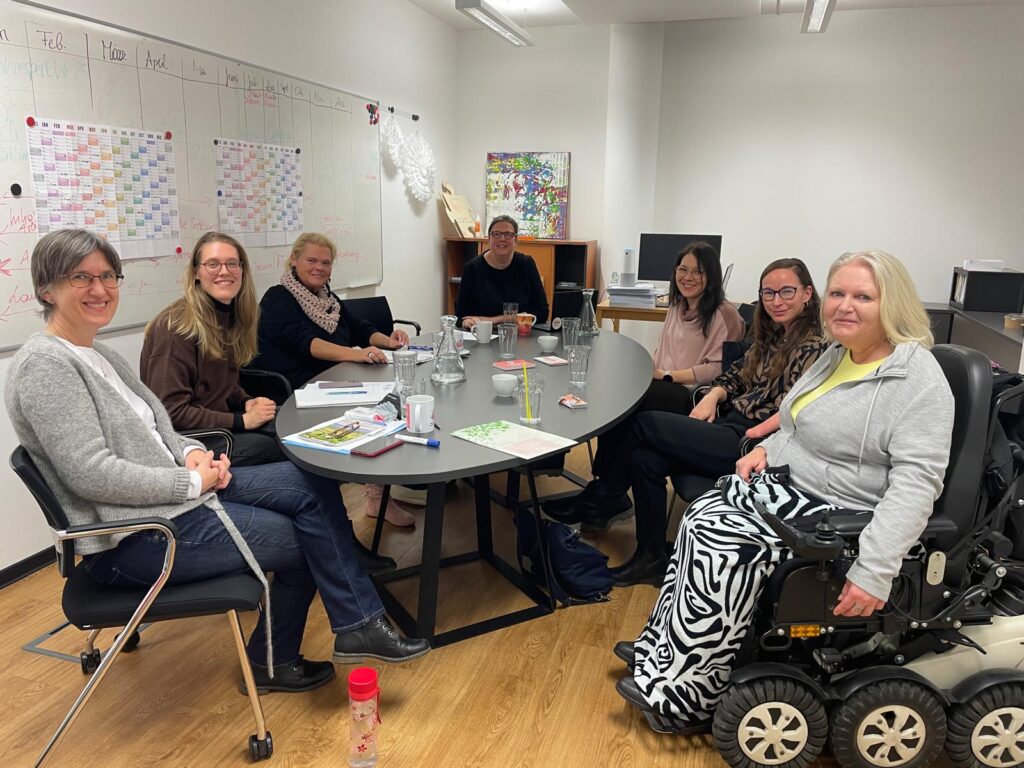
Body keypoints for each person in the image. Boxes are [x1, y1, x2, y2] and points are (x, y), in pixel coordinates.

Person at [6, 229, 430, 697]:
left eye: (107, 275)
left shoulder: (95, 351)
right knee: (304, 539)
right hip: (139, 536)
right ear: (47, 289)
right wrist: (189, 481)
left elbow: (158, 425)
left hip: (174, 498)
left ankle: (358, 624)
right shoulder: (45, 365)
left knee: (308, 482)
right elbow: (91, 472)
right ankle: (275, 660)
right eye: (81, 278)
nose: (100, 289)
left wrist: (192, 453)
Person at [614, 250, 954, 732]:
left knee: (723, 542)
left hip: (839, 511)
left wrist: (875, 570)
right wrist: (768, 448)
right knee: (700, 515)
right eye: (839, 293)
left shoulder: (917, 378)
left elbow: (917, 483)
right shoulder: (839, 355)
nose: (845, 306)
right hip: (792, 486)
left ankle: (690, 695)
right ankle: (663, 656)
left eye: (863, 296)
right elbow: (795, 419)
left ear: (892, 303)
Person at [566, 258, 828, 584]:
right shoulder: (772, 334)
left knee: (642, 424)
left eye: (786, 291)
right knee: (643, 457)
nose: (776, 300)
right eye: (768, 293)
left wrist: (747, 425)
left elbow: (796, 412)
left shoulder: (816, 347)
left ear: (806, 293)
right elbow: (735, 375)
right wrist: (714, 395)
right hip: (727, 423)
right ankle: (651, 557)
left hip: (753, 445)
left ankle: (603, 496)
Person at [545, 241, 744, 530]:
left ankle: (606, 494)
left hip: (696, 398)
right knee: (623, 395)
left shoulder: (725, 315)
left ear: (711, 275)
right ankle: (605, 490)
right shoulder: (677, 305)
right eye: (682, 270)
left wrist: (665, 375)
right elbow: (661, 351)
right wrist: (650, 371)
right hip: (665, 384)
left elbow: (718, 369)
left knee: (634, 400)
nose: (687, 277)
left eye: (697, 272)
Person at [254, 232, 415, 527]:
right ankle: (376, 496)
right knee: (378, 408)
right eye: (311, 260)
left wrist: (387, 341)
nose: (319, 267)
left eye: (325, 262)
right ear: (294, 260)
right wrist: (357, 356)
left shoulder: (327, 298)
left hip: (334, 381)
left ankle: (379, 495)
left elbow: (358, 327)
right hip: (298, 391)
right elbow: (307, 343)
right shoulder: (278, 298)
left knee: (391, 400)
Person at [141, 232, 281, 467]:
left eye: (232, 264)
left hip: (219, 427)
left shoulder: (228, 316)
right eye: (212, 264)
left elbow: (219, 383)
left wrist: (245, 401)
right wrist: (241, 420)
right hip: (193, 443)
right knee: (288, 447)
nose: (224, 271)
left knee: (295, 431)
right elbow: (171, 412)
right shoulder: (176, 328)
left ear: (242, 270)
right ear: (196, 272)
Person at [456, 215, 549, 331]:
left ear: (516, 240)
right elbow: (460, 316)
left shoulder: (526, 264)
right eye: (496, 234)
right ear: (489, 239)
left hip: (521, 337)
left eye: (508, 234)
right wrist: (467, 322)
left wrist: (494, 320)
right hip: (483, 336)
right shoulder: (472, 268)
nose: (502, 239)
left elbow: (542, 313)